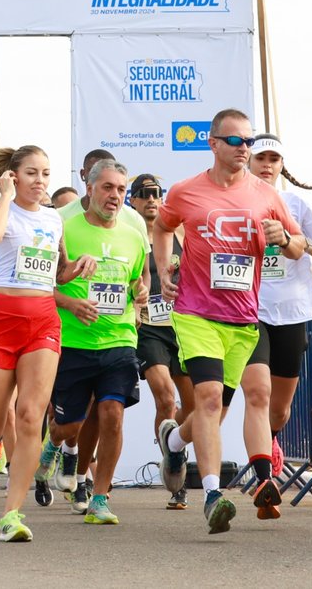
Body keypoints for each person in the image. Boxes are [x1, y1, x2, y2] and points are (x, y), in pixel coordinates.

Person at [153, 109, 298, 534]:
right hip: (196, 313)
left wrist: (285, 239)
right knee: (210, 398)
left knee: (228, 404)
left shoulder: (266, 194)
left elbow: (298, 247)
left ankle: (175, 441)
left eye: (249, 142)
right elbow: (163, 228)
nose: (245, 149)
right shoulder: (186, 192)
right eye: (236, 141)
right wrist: (163, 270)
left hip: (243, 319)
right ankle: (213, 495)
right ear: (213, 143)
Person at [0, 143, 79, 544]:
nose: (40, 181)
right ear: (13, 175)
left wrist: (76, 268)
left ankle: (12, 513)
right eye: (31, 173)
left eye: (45, 173)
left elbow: (57, 273)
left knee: (31, 416)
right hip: (1, 320)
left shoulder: (53, 219)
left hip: (43, 321)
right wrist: (5, 195)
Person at [42, 158, 146, 526]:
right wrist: (71, 302)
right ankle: (55, 445)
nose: (115, 196)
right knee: (69, 426)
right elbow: (41, 284)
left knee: (112, 416)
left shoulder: (134, 235)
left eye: (120, 189)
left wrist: (141, 292)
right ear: (89, 188)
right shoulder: (64, 229)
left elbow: (138, 279)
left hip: (119, 340)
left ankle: (100, 497)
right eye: (107, 187)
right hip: (73, 340)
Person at [244, 135, 312, 480]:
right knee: (257, 393)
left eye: (274, 159)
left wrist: (298, 243)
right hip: (248, 312)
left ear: (282, 165)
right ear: (248, 162)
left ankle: (270, 440)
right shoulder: (234, 204)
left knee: (280, 410)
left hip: (292, 313)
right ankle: (263, 479)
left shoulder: (298, 204)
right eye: (261, 158)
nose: (267, 165)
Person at [126, 173, 192, 509]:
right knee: (165, 398)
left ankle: (175, 451)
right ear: (132, 200)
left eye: (157, 193)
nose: (152, 199)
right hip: (148, 328)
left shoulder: (177, 231)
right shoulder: (129, 233)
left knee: (193, 407)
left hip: (182, 326)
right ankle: (173, 473)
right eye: (144, 193)